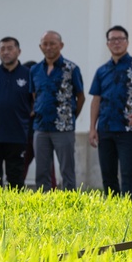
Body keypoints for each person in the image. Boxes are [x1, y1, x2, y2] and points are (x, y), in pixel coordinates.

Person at [88, 26, 132, 197]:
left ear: (127, 42)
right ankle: (113, 210)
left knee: (128, 174)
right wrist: (92, 128)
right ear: (107, 44)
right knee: (108, 174)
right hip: (105, 128)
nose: (117, 42)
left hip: (128, 129)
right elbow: (96, 100)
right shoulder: (102, 70)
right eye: (113, 39)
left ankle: (129, 211)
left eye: (120, 39)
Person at [29, 31, 85, 191]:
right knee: (42, 170)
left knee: (66, 170)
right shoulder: (34, 70)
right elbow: (35, 94)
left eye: (52, 43)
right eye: (45, 44)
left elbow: (80, 97)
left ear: (61, 45)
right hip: (40, 126)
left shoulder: (71, 68)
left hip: (64, 127)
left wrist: (71, 116)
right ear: (40, 47)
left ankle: (69, 203)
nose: (48, 47)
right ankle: (44, 204)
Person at [0, 37, 33, 189]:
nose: (6, 52)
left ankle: (14, 210)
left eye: (10, 48)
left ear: (19, 51)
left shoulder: (28, 74)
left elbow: (34, 100)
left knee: (16, 177)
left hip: (17, 135)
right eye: (2, 49)